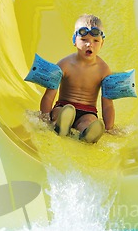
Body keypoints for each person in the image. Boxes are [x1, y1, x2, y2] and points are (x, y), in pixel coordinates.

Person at [40, 14, 115, 143]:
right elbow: (49, 95)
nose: (89, 44)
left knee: (90, 122)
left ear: (102, 43)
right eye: (84, 39)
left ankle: (87, 133)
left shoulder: (104, 70)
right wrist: (45, 118)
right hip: (64, 106)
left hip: (88, 112)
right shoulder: (64, 65)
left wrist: (109, 129)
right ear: (74, 40)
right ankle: (61, 125)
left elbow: (107, 104)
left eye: (95, 41)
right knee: (59, 113)